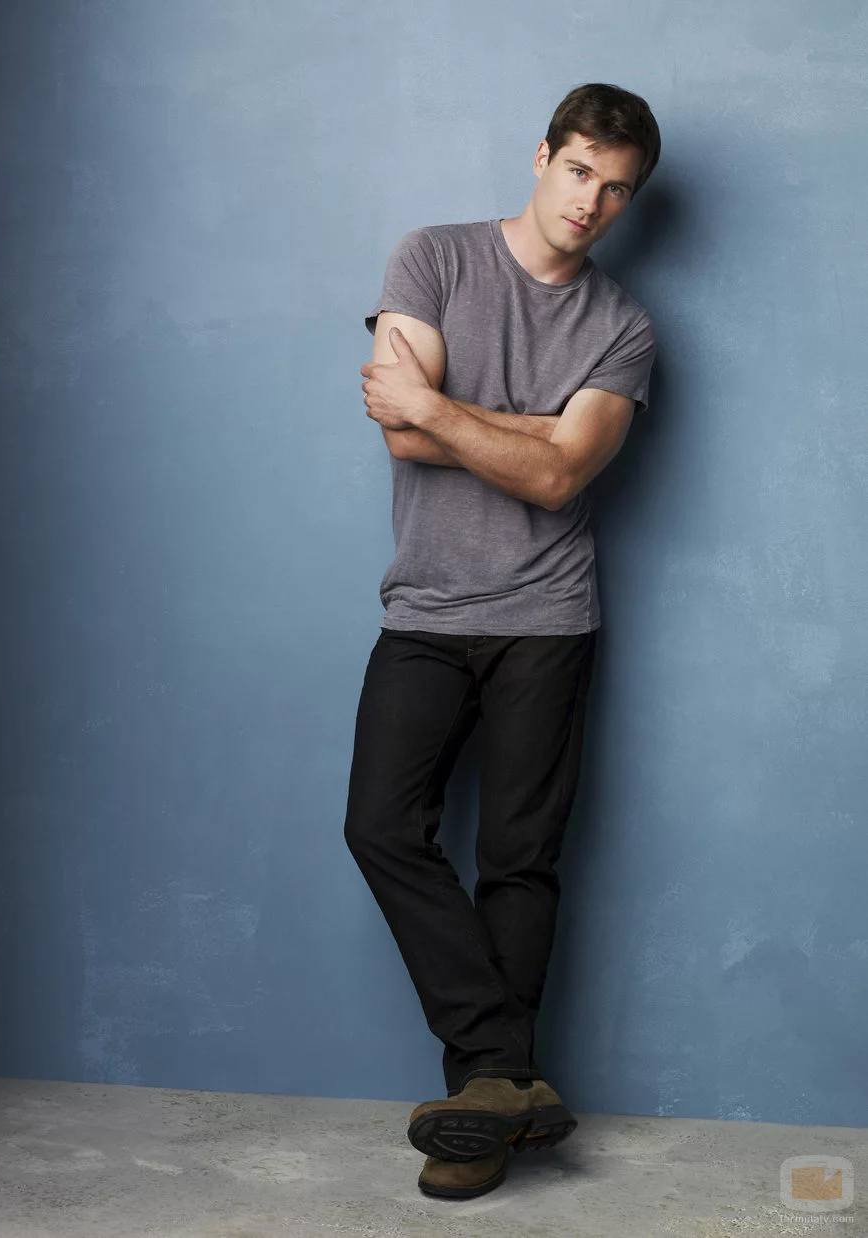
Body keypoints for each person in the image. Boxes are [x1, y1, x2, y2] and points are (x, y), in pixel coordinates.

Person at [343, 82, 661, 1201]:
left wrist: (442, 407)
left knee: (520, 863)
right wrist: (527, 432)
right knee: (381, 825)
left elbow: (561, 476)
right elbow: (401, 436)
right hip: (427, 608)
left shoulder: (623, 326)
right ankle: (505, 1073)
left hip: (549, 616)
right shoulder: (433, 257)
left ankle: (474, 1122)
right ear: (542, 156)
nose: (591, 201)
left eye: (616, 189)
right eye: (579, 171)